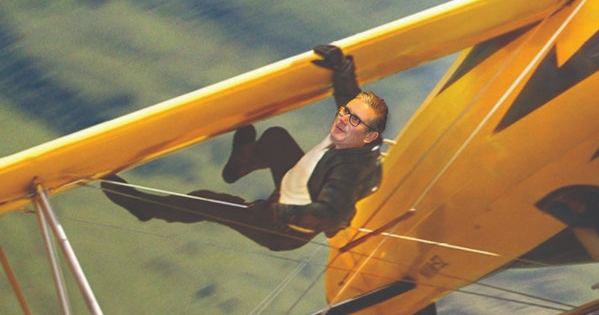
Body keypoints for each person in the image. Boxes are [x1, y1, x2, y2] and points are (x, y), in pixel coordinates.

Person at [101, 45, 388, 251]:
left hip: (283, 230)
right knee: (276, 139)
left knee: (211, 203)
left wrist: (275, 213)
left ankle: (144, 208)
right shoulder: (363, 141)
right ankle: (243, 161)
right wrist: (342, 69)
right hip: (301, 186)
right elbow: (351, 105)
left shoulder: (347, 177)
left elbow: (331, 218)